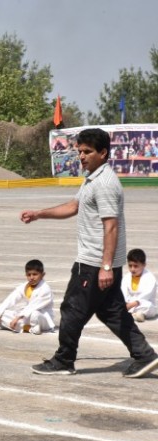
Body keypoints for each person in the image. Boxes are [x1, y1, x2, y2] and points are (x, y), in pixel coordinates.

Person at [20, 128, 158, 378]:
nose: (81, 156)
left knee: (72, 309)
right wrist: (39, 214)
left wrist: (105, 266)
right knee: (111, 311)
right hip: (100, 263)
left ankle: (63, 360)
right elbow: (74, 206)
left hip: (94, 264)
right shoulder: (93, 178)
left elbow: (111, 226)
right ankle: (144, 355)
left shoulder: (104, 184)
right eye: (80, 151)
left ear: (103, 153)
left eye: (87, 152)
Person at [0, 259, 55, 335]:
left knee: (35, 314)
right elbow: (10, 299)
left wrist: (17, 318)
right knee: (2, 316)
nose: (31, 277)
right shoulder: (24, 286)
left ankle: (29, 327)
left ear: (43, 275)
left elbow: (32, 306)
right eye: (29, 275)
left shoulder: (45, 289)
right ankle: (27, 328)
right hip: (26, 316)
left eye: (35, 274)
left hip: (42, 319)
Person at [121, 248, 157, 322]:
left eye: (136, 266)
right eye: (130, 266)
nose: (132, 269)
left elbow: (145, 296)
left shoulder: (150, 278)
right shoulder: (127, 277)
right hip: (129, 304)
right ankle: (135, 314)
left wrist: (131, 305)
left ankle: (138, 314)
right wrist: (125, 304)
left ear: (144, 265)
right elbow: (123, 292)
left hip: (143, 304)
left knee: (148, 306)